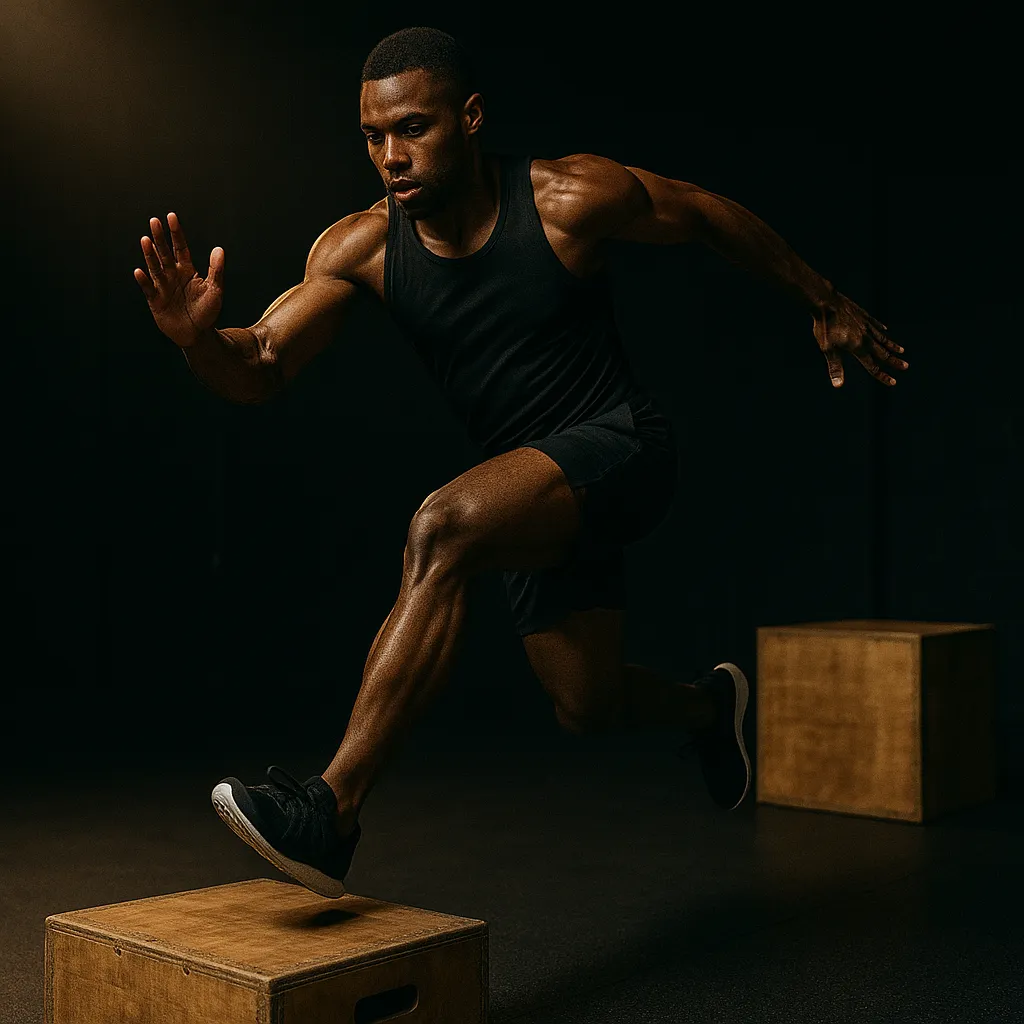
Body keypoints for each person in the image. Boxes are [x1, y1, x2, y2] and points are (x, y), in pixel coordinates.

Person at [134, 27, 908, 898]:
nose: (390, 156)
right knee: (589, 706)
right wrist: (197, 341)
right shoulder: (358, 249)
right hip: (528, 493)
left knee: (441, 526)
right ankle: (708, 707)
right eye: (372, 136)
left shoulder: (566, 198)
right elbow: (261, 363)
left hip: (624, 447)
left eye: (413, 129)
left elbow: (702, 212)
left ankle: (331, 811)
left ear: (469, 118)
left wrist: (827, 300)